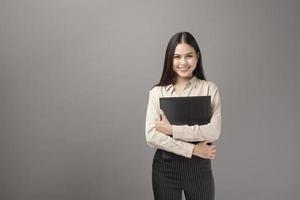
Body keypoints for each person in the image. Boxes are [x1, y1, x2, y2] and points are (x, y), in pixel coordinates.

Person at [145, 32, 221, 200]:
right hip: (165, 169)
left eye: (189, 56)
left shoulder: (209, 89)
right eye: (177, 57)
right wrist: (194, 149)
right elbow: (151, 136)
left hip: (199, 168)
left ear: (197, 57)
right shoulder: (157, 92)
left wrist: (171, 129)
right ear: (169, 59)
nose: (183, 62)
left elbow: (213, 131)